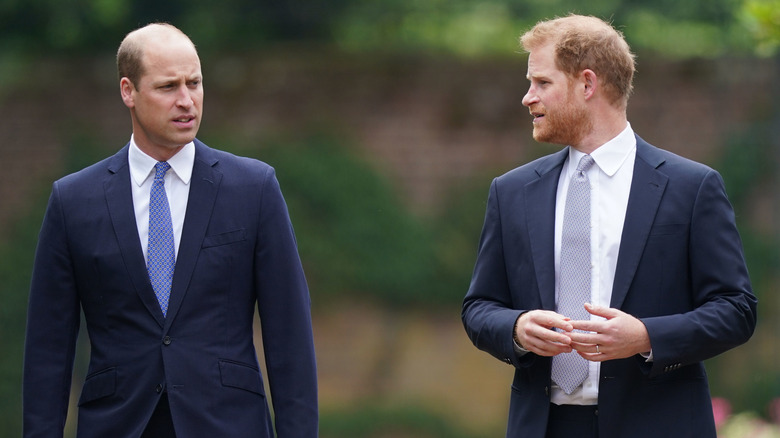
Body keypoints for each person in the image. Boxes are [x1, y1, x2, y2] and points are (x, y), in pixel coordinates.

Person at [462, 14, 757, 438]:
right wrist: (516, 329)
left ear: (587, 84)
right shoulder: (512, 192)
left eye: (541, 83)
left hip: (659, 425)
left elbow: (736, 310)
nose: (527, 98)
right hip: (543, 426)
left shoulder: (692, 187)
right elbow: (478, 308)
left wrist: (645, 336)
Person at [23, 23, 318, 438]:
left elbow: (290, 338)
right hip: (117, 424)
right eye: (168, 87)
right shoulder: (73, 201)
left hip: (229, 424)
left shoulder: (254, 188)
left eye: (194, 83)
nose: (187, 101)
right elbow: (47, 351)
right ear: (128, 91)